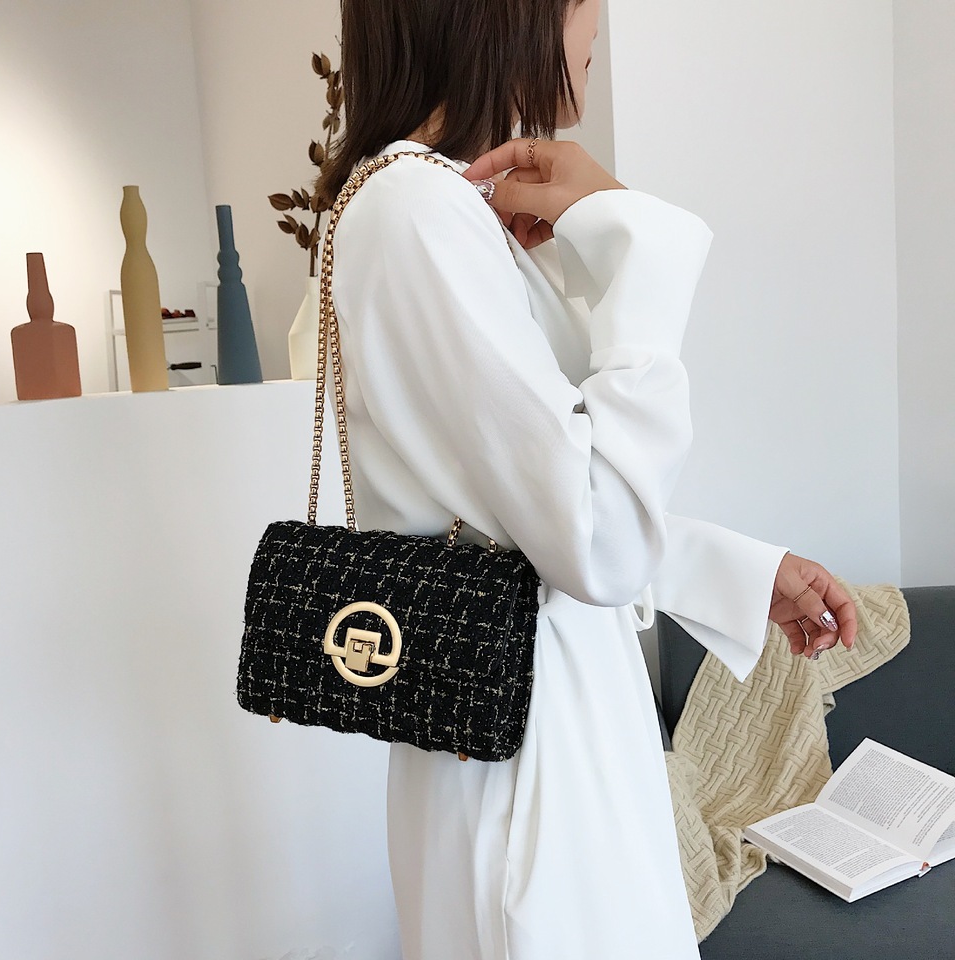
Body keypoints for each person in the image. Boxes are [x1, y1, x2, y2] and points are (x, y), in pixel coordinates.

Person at [317, 1, 858, 957]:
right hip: (528, 764)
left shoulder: (436, 207)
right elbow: (593, 538)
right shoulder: (414, 212)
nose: (597, 17)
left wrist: (737, 573)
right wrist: (641, 248)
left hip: (538, 738)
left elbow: (536, 518)